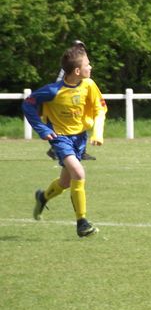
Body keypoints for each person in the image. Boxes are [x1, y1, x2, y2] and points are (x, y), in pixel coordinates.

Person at [22, 45, 107, 237]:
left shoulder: (89, 85)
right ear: (77, 71)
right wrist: (42, 129)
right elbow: (28, 104)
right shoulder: (53, 91)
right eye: (87, 64)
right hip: (60, 138)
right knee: (79, 172)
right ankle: (82, 223)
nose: (90, 67)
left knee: (65, 182)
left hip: (80, 138)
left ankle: (42, 197)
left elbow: (99, 109)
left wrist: (97, 133)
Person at [46, 40, 97, 161]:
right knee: (69, 126)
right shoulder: (70, 65)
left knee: (81, 124)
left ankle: (80, 151)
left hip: (78, 96)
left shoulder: (82, 62)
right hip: (67, 98)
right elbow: (60, 82)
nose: (81, 49)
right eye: (78, 47)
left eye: (82, 47)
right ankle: (60, 149)